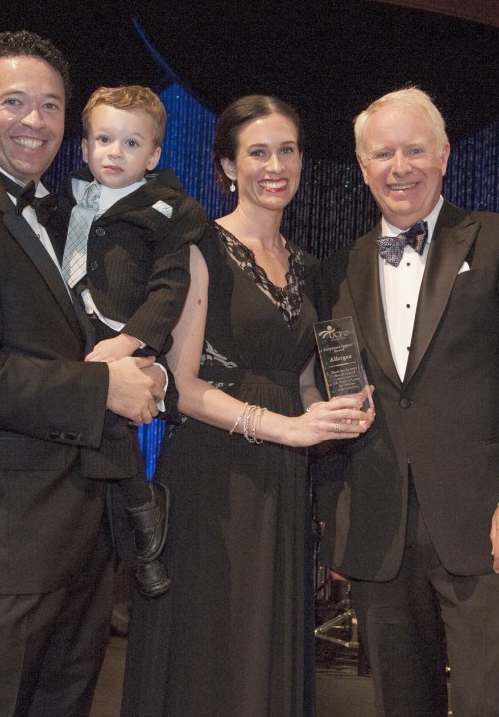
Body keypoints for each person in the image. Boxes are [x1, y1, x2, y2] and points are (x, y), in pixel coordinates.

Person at [0, 30, 166, 717]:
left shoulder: (72, 215)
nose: (34, 120)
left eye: (50, 105)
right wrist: (104, 387)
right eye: (14, 101)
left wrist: (138, 368)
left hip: (81, 544)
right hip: (2, 550)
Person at [121, 95, 374, 717]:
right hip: (215, 477)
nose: (275, 164)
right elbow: (180, 385)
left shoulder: (309, 267)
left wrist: (339, 412)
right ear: (228, 167)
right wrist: (289, 430)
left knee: (267, 646)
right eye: (258, 152)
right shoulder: (199, 247)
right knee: (212, 652)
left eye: (287, 150)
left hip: (283, 484)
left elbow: (305, 383)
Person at [321, 87, 499, 717]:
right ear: (362, 164)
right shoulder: (346, 264)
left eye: (414, 150)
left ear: (444, 155)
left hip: (489, 525)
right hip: (382, 530)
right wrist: (341, 521)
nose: (399, 166)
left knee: (492, 704)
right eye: (383, 153)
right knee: (402, 704)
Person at [44, 85, 207, 598]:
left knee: (114, 421)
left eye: (131, 144)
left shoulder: (165, 210)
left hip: (119, 334)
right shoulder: (56, 200)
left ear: (154, 155)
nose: (115, 153)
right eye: (104, 140)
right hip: (66, 333)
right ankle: (138, 525)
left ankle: (142, 523)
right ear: (86, 147)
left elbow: (169, 286)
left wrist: (135, 341)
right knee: (88, 422)